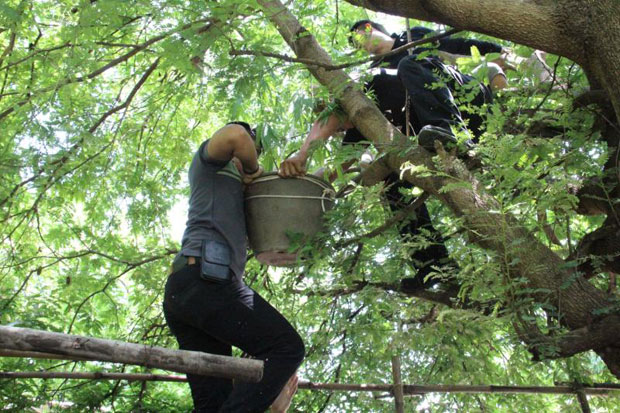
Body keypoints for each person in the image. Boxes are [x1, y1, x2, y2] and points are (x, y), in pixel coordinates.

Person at [280, 21, 505, 293]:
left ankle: (450, 132)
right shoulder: (369, 108)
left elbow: (465, 46)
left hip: (466, 105)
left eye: (358, 39)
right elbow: (339, 166)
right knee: (393, 184)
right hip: (433, 137)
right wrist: (301, 182)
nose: (338, 129)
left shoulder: (411, 38)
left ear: (366, 28)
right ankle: (434, 268)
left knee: (410, 63)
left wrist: (503, 57)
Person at [164, 122, 305, 412]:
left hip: (190, 293)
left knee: (212, 404)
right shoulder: (211, 166)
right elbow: (235, 135)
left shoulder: (238, 196)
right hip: (204, 281)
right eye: (253, 150)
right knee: (285, 347)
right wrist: (254, 170)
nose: (253, 155)